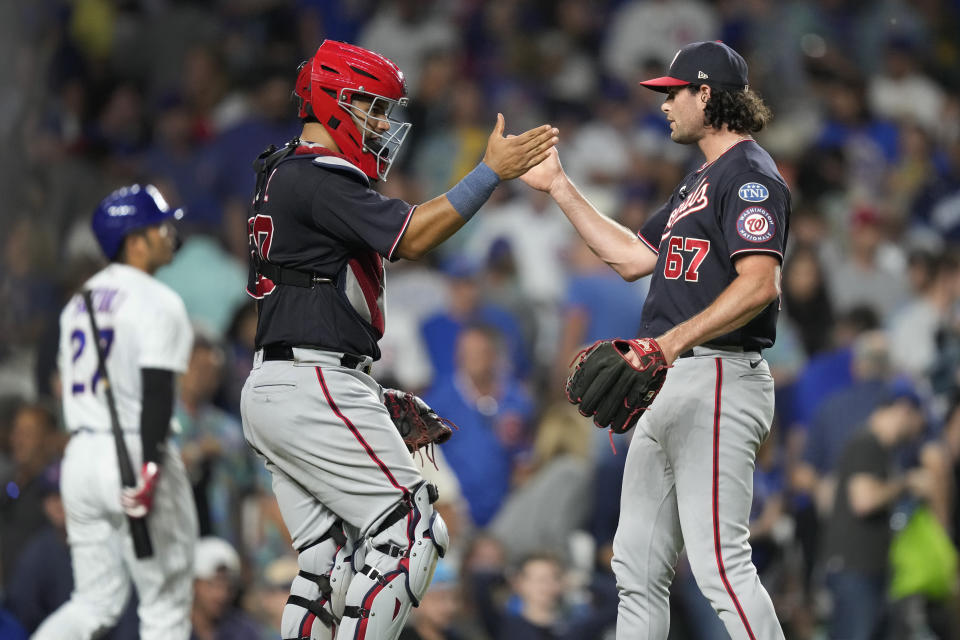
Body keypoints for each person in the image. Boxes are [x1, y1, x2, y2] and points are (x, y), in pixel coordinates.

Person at [239, 39, 557, 640]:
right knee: (411, 526)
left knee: (326, 562)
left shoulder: (281, 172)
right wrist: (490, 172)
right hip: (313, 382)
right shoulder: (316, 174)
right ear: (336, 102)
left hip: (282, 380)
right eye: (373, 107)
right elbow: (411, 236)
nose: (383, 123)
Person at [521, 41, 789, 639]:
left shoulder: (749, 176)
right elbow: (628, 257)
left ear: (707, 95)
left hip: (719, 374)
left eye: (674, 93)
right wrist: (561, 187)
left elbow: (760, 284)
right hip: (669, 379)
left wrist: (669, 344)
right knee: (634, 565)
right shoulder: (699, 178)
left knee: (720, 564)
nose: (664, 104)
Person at [34, 184, 198, 640]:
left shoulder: (78, 302)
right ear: (134, 241)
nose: (169, 234)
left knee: (93, 604)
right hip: (132, 452)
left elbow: (59, 381)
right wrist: (148, 466)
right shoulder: (155, 299)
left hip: (81, 457)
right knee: (164, 606)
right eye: (158, 227)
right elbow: (158, 391)